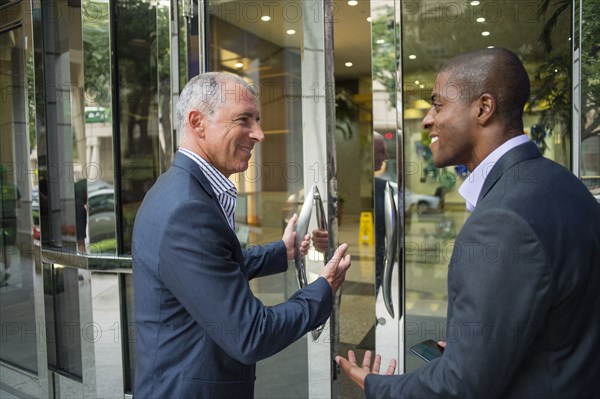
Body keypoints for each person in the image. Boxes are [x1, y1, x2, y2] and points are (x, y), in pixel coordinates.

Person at [336, 48, 600, 398]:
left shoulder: (502, 220)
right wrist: (478, 351)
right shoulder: (561, 182)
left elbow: (461, 387)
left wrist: (375, 384)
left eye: (438, 104)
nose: (428, 119)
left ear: (483, 108)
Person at [132, 72, 352, 399]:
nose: (259, 134)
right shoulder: (187, 210)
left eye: (258, 120)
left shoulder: (174, 189)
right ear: (198, 122)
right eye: (243, 120)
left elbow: (209, 269)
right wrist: (323, 289)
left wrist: (283, 251)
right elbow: (249, 334)